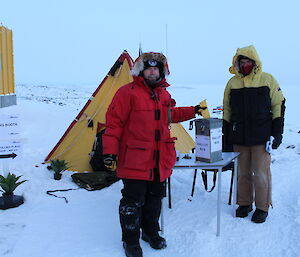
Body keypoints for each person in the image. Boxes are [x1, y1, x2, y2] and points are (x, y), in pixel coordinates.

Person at [102, 52, 204, 257]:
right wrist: (110, 152)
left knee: (155, 198)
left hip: (160, 160)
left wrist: (193, 110)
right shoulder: (126, 92)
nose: (152, 72)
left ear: (161, 72)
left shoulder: (163, 94)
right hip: (135, 159)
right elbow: (114, 124)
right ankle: (130, 241)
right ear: (141, 71)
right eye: (148, 69)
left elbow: (170, 115)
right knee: (132, 201)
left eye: (155, 69)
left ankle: (150, 232)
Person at [223, 45, 286, 224]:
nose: (245, 64)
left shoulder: (268, 80)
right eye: (241, 62)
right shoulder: (232, 83)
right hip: (239, 136)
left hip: (261, 137)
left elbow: (278, 106)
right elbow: (227, 109)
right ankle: (244, 204)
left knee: (260, 173)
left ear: (254, 62)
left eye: (248, 61)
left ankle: (262, 207)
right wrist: (226, 136)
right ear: (237, 63)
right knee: (242, 172)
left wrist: (277, 133)